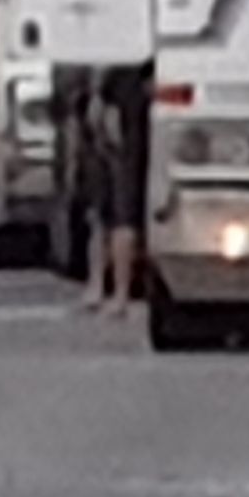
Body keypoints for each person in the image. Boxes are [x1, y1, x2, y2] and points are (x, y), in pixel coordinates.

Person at [84, 70, 148, 316]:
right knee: (109, 207)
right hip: (116, 104)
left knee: (119, 208)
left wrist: (100, 97)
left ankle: (114, 291)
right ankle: (103, 287)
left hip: (122, 105)